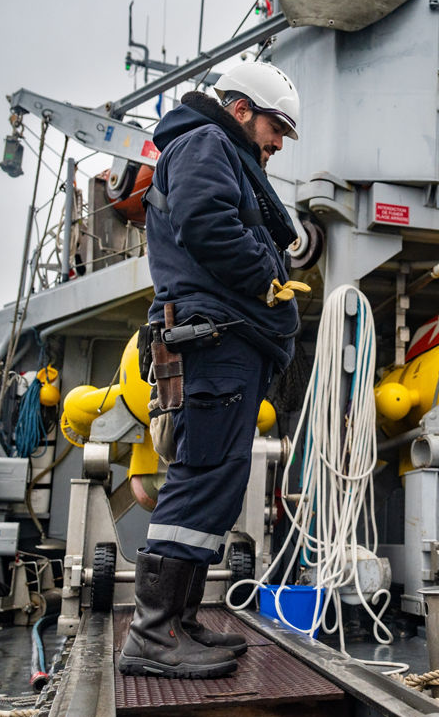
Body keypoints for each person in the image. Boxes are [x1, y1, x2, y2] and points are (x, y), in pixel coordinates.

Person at [118, 61, 307, 679]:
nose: (278, 144)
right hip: (215, 337)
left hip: (227, 336)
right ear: (242, 110)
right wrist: (267, 277)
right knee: (201, 477)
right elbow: (207, 222)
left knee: (219, 478)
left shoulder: (215, 146)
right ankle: (153, 635)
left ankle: (179, 619)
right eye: (276, 127)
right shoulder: (206, 142)